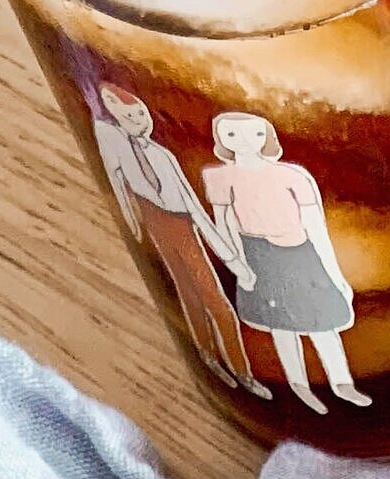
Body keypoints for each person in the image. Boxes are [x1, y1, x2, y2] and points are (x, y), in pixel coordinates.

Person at [87, 83, 265, 397]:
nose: (140, 119)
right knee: (188, 295)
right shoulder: (115, 141)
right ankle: (211, 359)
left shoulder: (162, 154)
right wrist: (133, 223)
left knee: (215, 302)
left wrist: (231, 259)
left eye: (141, 113)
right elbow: (117, 182)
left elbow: (194, 209)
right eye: (130, 114)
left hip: (180, 225)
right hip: (154, 223)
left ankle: (241, 372)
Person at [199, 113, 369, 415]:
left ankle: (342, 383)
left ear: (267, 137)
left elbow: (316, 227)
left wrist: (334, 272)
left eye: (255, 133)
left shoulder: (293, 176)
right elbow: (224, 225)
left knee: (323, 322)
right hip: (258, 255)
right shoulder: (221, 178)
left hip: (300, 253)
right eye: (232, 135)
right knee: (280, 325)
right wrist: (238, 264)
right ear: (222, 140)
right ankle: (299, 385)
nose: (245, 141)